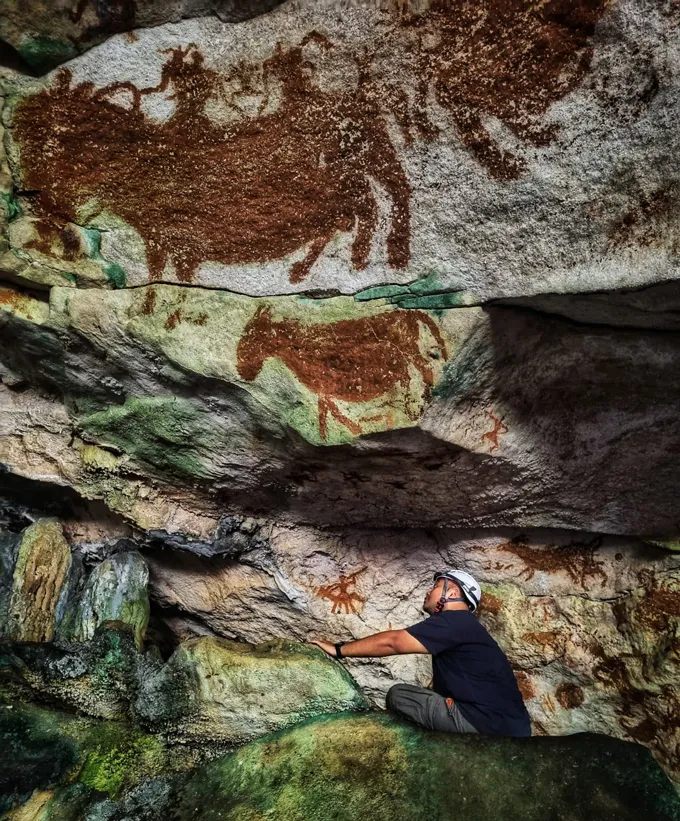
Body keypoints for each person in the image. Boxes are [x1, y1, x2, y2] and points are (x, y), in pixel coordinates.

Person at [312, 569, 531, 737]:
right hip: (514, 728)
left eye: (436, 586)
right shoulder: (469, 628)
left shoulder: (454, 621)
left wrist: (338, 649)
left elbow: (393, 643)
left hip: (483, 724)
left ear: (452, 593)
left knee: (399, 695)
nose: (429, 591)